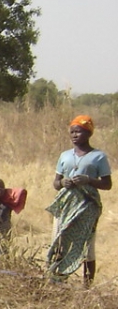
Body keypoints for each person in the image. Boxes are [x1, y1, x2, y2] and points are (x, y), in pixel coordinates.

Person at [48, 115, 111, 285]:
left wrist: (89, 180)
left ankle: (87, 286)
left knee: (87, 246)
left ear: (89, 134)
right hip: (66, 203)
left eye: (79, 132)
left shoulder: (98, 157)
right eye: (72, 132)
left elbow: (107, 184)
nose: (75, 135)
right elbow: (56, 182)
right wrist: (62, 182)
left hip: (87, 205)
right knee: (59, 240)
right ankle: (57, 281)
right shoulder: (65, 155)